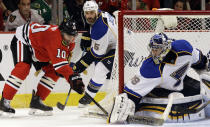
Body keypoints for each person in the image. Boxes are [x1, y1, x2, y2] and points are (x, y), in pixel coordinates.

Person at [108, 33, 210, 123]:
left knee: (204, 96)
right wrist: (125, 105)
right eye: (153, 49)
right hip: (159, 90)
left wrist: (206, 71)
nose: (154, 53)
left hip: (180, 83)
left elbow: (201, 62)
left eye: (158, 49)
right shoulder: (150, 68)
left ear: (166, 47)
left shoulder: (184, 48)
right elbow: (130, 93)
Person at [0, 19, 85, 116]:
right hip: (25, 39)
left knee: (54, 72)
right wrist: (73, 78)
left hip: (41, 48)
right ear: (61, 32)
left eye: (74, 36)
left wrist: (73, 78)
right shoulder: (54, 37)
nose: (71, 39)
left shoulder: (69, 43)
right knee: (23, 68)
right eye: (69, 36)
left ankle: (37, 101)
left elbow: (62, 65)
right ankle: (4, 101)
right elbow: (61, 66)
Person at [73, 0, 117, 107]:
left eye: (91, 13)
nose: (89, 16)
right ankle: (89, 97)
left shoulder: (100, 29)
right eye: (87, 13)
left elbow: (96, 54)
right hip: (116, 43)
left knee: (101, 68)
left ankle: (88, 98)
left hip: (123, 47)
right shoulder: (102, 13)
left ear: (96, 11)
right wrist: (88, 35)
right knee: (101, 69)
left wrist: (79, 66)